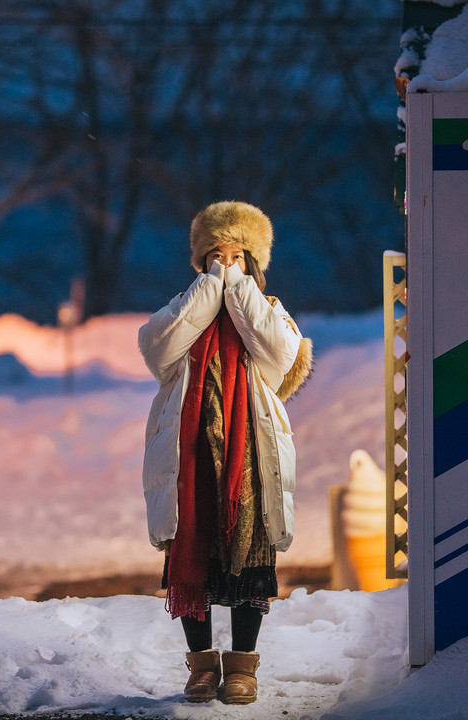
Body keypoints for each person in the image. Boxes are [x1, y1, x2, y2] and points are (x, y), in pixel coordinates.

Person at [138, 201, 312, 705]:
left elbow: (279, 355)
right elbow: (157, 348)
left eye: (237, 254)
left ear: (254, 261)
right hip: (189, 456)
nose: (226, 262)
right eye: (215, 254)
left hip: (250, 458)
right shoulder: (183, 307)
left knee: (248, 559)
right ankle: (199, 668)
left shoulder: (270, 309)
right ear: (200, 262)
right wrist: (211, 287)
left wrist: (237, 288)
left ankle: (242, 668)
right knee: (191, 555)